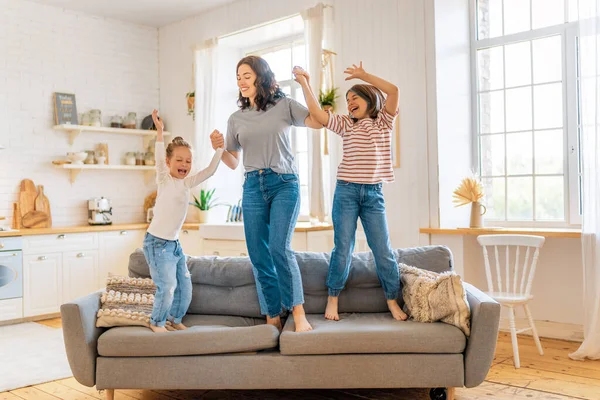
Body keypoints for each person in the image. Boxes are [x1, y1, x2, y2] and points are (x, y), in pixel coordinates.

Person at [209, 56, 323, 332]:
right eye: (238, 77)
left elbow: (319, 121)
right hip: (252, 185)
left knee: (278, 248)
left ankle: (298, 313)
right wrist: (219, 148)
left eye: (246, 75)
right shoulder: (236, 119)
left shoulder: (284, 105)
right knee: (258, 254)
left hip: (284, 183)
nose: (241, 81)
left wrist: (305, 84)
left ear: (261, 77)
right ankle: (272, 315)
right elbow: (234, 161)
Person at [293, 62, 409, 322]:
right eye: (347, 99)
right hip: (346, 191)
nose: (350, 101)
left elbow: (394, 91)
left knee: (383, 250)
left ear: (369, 99)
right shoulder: (346, 124)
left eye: (355, 97)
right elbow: (318, 114)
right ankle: (332, 298)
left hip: (373, 195)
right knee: (343, 247)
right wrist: (305, 83)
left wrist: (365, 76)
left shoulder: (384, 122)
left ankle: (392, 300)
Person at [143, 109, 223, 333]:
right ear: (168, 162)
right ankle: (156, 322)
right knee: (167, 286)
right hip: (157, 244)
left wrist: (219, 150)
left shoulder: (187, 183)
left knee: (185, 287)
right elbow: (159, 156)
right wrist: (159, 132)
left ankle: (174, 318)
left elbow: (209, 171)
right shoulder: (164, 178)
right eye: (179, 159)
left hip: (174, 245)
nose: (184, 164)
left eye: (188, 161)